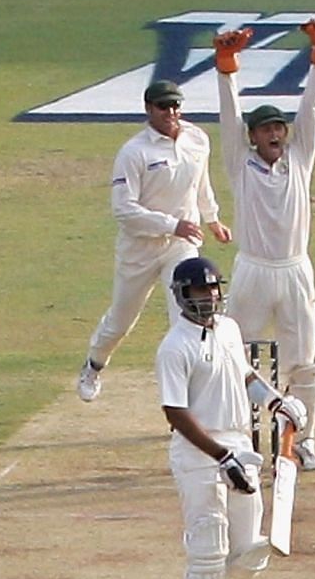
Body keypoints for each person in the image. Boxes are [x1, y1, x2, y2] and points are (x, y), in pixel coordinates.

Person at [157, 257, 306, 579]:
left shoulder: (229, 329)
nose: (207, 300)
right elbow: (175, 413)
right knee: (208, 551)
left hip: (239, 444)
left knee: (250, 551)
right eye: (198, 294)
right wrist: (220, 456)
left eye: (212, 291)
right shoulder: (174, 347)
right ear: (182, 297)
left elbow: (244, 375)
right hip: (198, 454)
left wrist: (277, 401)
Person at [212, 19, 315, 471]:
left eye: (279, 128)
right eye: (266, 129)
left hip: (296, 269)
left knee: (305, 361)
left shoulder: (299, 159)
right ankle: (234, 438)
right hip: (253, 269)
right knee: (230, 353)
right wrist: (227, 67)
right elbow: (229, 116)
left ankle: (305, 441)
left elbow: (313, 107)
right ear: (253, 136)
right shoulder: (239, 163)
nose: (276, 134)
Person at [75, 79, 230, 403]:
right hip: (140, 247)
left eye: (175, 105)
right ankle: (94, 365)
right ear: (149, 109)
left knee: (188, 316)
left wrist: (212, 219)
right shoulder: (134, 152)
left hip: (181, 245)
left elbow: (201, 185)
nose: (171, 112)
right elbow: (123, 210)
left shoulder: (197, 139)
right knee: (121, 321)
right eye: (163, 107)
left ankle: (189, 399)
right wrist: (172, 224)